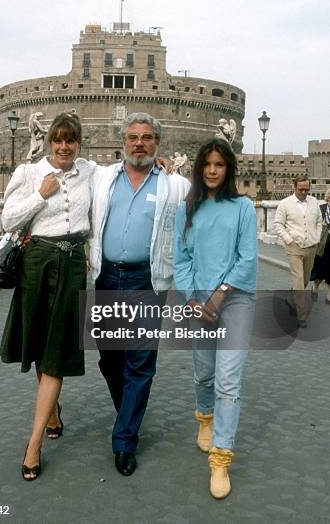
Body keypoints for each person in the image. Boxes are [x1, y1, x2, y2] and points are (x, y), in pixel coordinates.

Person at [88, 112, 190, 476]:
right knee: (110, 360)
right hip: (105, 279)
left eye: (147, 137)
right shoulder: (101, 178)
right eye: (133, 137)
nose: (140, 143)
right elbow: (61, 167)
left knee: (140, 363)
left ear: (157, 143)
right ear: (123, 142)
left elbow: (199, 220)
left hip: (147, 282)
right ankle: (128, 412)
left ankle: (124, 440)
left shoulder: (174, 185)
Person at [0, 112, 94, 481]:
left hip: (72, 264)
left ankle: (34, 443)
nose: (64, 147)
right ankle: (52, 412)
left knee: (57, 349)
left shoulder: (89, 172)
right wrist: (40, 196)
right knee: (40, 342)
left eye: (71, 141)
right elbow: (8, 221)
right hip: (38, 261)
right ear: (49, 141)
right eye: (59, 140)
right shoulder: (28, 173)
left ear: (80, 144)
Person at [174, 138, 257, 499]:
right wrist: (194, 299)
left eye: (219, 165)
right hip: (198, 303)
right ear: (198, 168)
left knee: (228, 380)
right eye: (206, 164)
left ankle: (220, 460)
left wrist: (220, 294)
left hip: (235, 299)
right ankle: (204, 418)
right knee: (204, 371)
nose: (211, 170)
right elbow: (181, 259)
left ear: (229, 169)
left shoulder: (243, 207)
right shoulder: (187, 208)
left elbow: (248, 257)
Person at [273, 177, 322, 326]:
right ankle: (301, 315)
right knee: (299, 279)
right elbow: (278, 224)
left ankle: (291, 299)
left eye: (306, 189)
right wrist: (289, 240)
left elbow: (319, 221)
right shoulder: (285, 204)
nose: (303, 192)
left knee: (305, 280)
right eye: (300, 189)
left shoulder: (314, 202)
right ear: (294, 187)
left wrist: (317, 235)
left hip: (311, 246)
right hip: (294, 247)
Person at [310, 188, 330, 304]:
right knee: (320, 269)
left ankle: (329, 296)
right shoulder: (321, 209)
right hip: (322, 245)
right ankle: (315, 286)